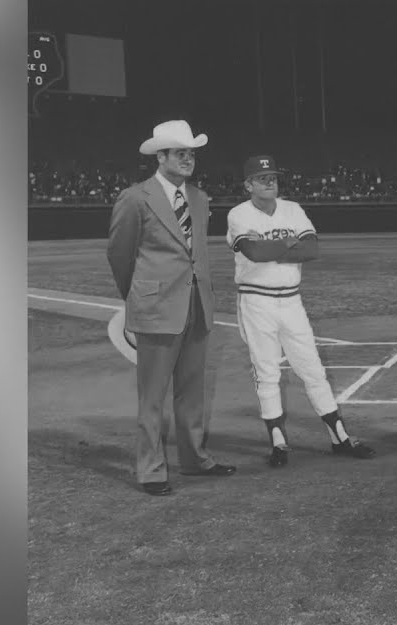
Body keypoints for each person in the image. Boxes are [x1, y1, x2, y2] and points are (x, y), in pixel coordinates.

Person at [106, 120, 237, 496]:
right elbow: (119, 253)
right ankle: (150, 469)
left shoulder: (199, 198)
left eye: (191, 154)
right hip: (156, 308)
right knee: (152, 395)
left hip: (197, 305)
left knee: (192, 390)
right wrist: (138, 295)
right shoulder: (135, 197)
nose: (188, 159)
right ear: (160, 156)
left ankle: (194, 459)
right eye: (180, 153)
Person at [226, 154, 376, 467]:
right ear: (248, 184)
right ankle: (278, 443)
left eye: (273, 178)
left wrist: (274, 248)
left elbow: (312, 249)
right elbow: (252, 251)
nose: (270, 182)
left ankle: (339, 437)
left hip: (292, 301)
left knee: (312, 368)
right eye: (263, 178)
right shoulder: (238, 214)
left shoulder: (292, 208)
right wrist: (289, 243)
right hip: (256, 302)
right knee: (267, 371)